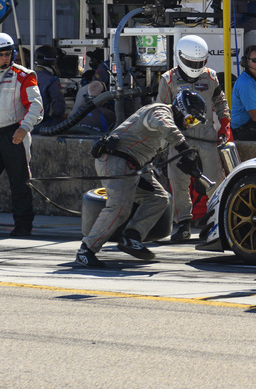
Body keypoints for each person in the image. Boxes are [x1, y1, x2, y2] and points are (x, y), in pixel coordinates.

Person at [75, 90, 209, 267]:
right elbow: (167, 128)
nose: (190, 125)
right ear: (180, 109)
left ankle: (132, 236)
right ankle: (86, 250)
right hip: (116, 159)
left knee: (159, 198)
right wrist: (184, 148)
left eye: (195, 122)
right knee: (119, 207)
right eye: (190, 119)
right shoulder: (160, 110)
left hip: (136, 165)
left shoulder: (164, 121)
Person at [156, 35, 231, 242]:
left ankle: (216, 219)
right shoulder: (168, 79)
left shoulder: (211, 76)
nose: (196, 67)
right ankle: (183, 223)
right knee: (178, 180)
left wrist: (225, 124)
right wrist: (163, 142)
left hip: (206, 135)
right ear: (180, 57)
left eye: (200, 62)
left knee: (214, 179)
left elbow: (220, 101)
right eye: (192, 62)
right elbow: (160, 111)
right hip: (179, 137)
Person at [0, 33, 43, 237]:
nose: (4, 58)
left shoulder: (24, 75)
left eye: (8, 54)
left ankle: (23, 226)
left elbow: (36, 106)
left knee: (20, 183)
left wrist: (24, 127)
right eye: (1, 54)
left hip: (14, 134)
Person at [33, 44, 66, 130]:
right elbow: (59, 107)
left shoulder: (26, 75)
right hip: (41, 124)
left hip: (24, 123)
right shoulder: (51, 80)